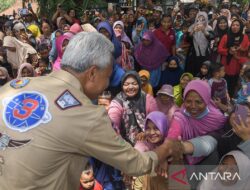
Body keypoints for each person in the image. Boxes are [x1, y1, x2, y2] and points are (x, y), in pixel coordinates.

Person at [0, 32, 181, 190]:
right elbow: (137, 163)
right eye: (108, 76)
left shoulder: (16, 86)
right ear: (92, 73)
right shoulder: (85, 114)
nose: (108, 84)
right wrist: (167, 147)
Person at [167, 80, 227, 164]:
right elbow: (173, 134)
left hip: (207, 160)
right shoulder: (181, 114)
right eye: (188, 101)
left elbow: (221, 135)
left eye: (198, 102)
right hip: (183, 158)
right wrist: (165, 152)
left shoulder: (217, 118)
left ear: (206, 100)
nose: (193, 106)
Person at [108, 70, 158, 146]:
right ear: (122, 86)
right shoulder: (117, 102)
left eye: (134, 84)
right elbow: (113, 122)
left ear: (139, 84)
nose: (130, 87)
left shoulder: (148, 99)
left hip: (148, 140)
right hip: (124, 144)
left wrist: (146, 133)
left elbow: (155, 121)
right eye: (126, 84)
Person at [133, 111, 169, 190]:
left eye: (156, 128)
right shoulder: (143, 147)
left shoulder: (172, 151)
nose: (152, 132)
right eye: (148, 128)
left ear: (164, 127)